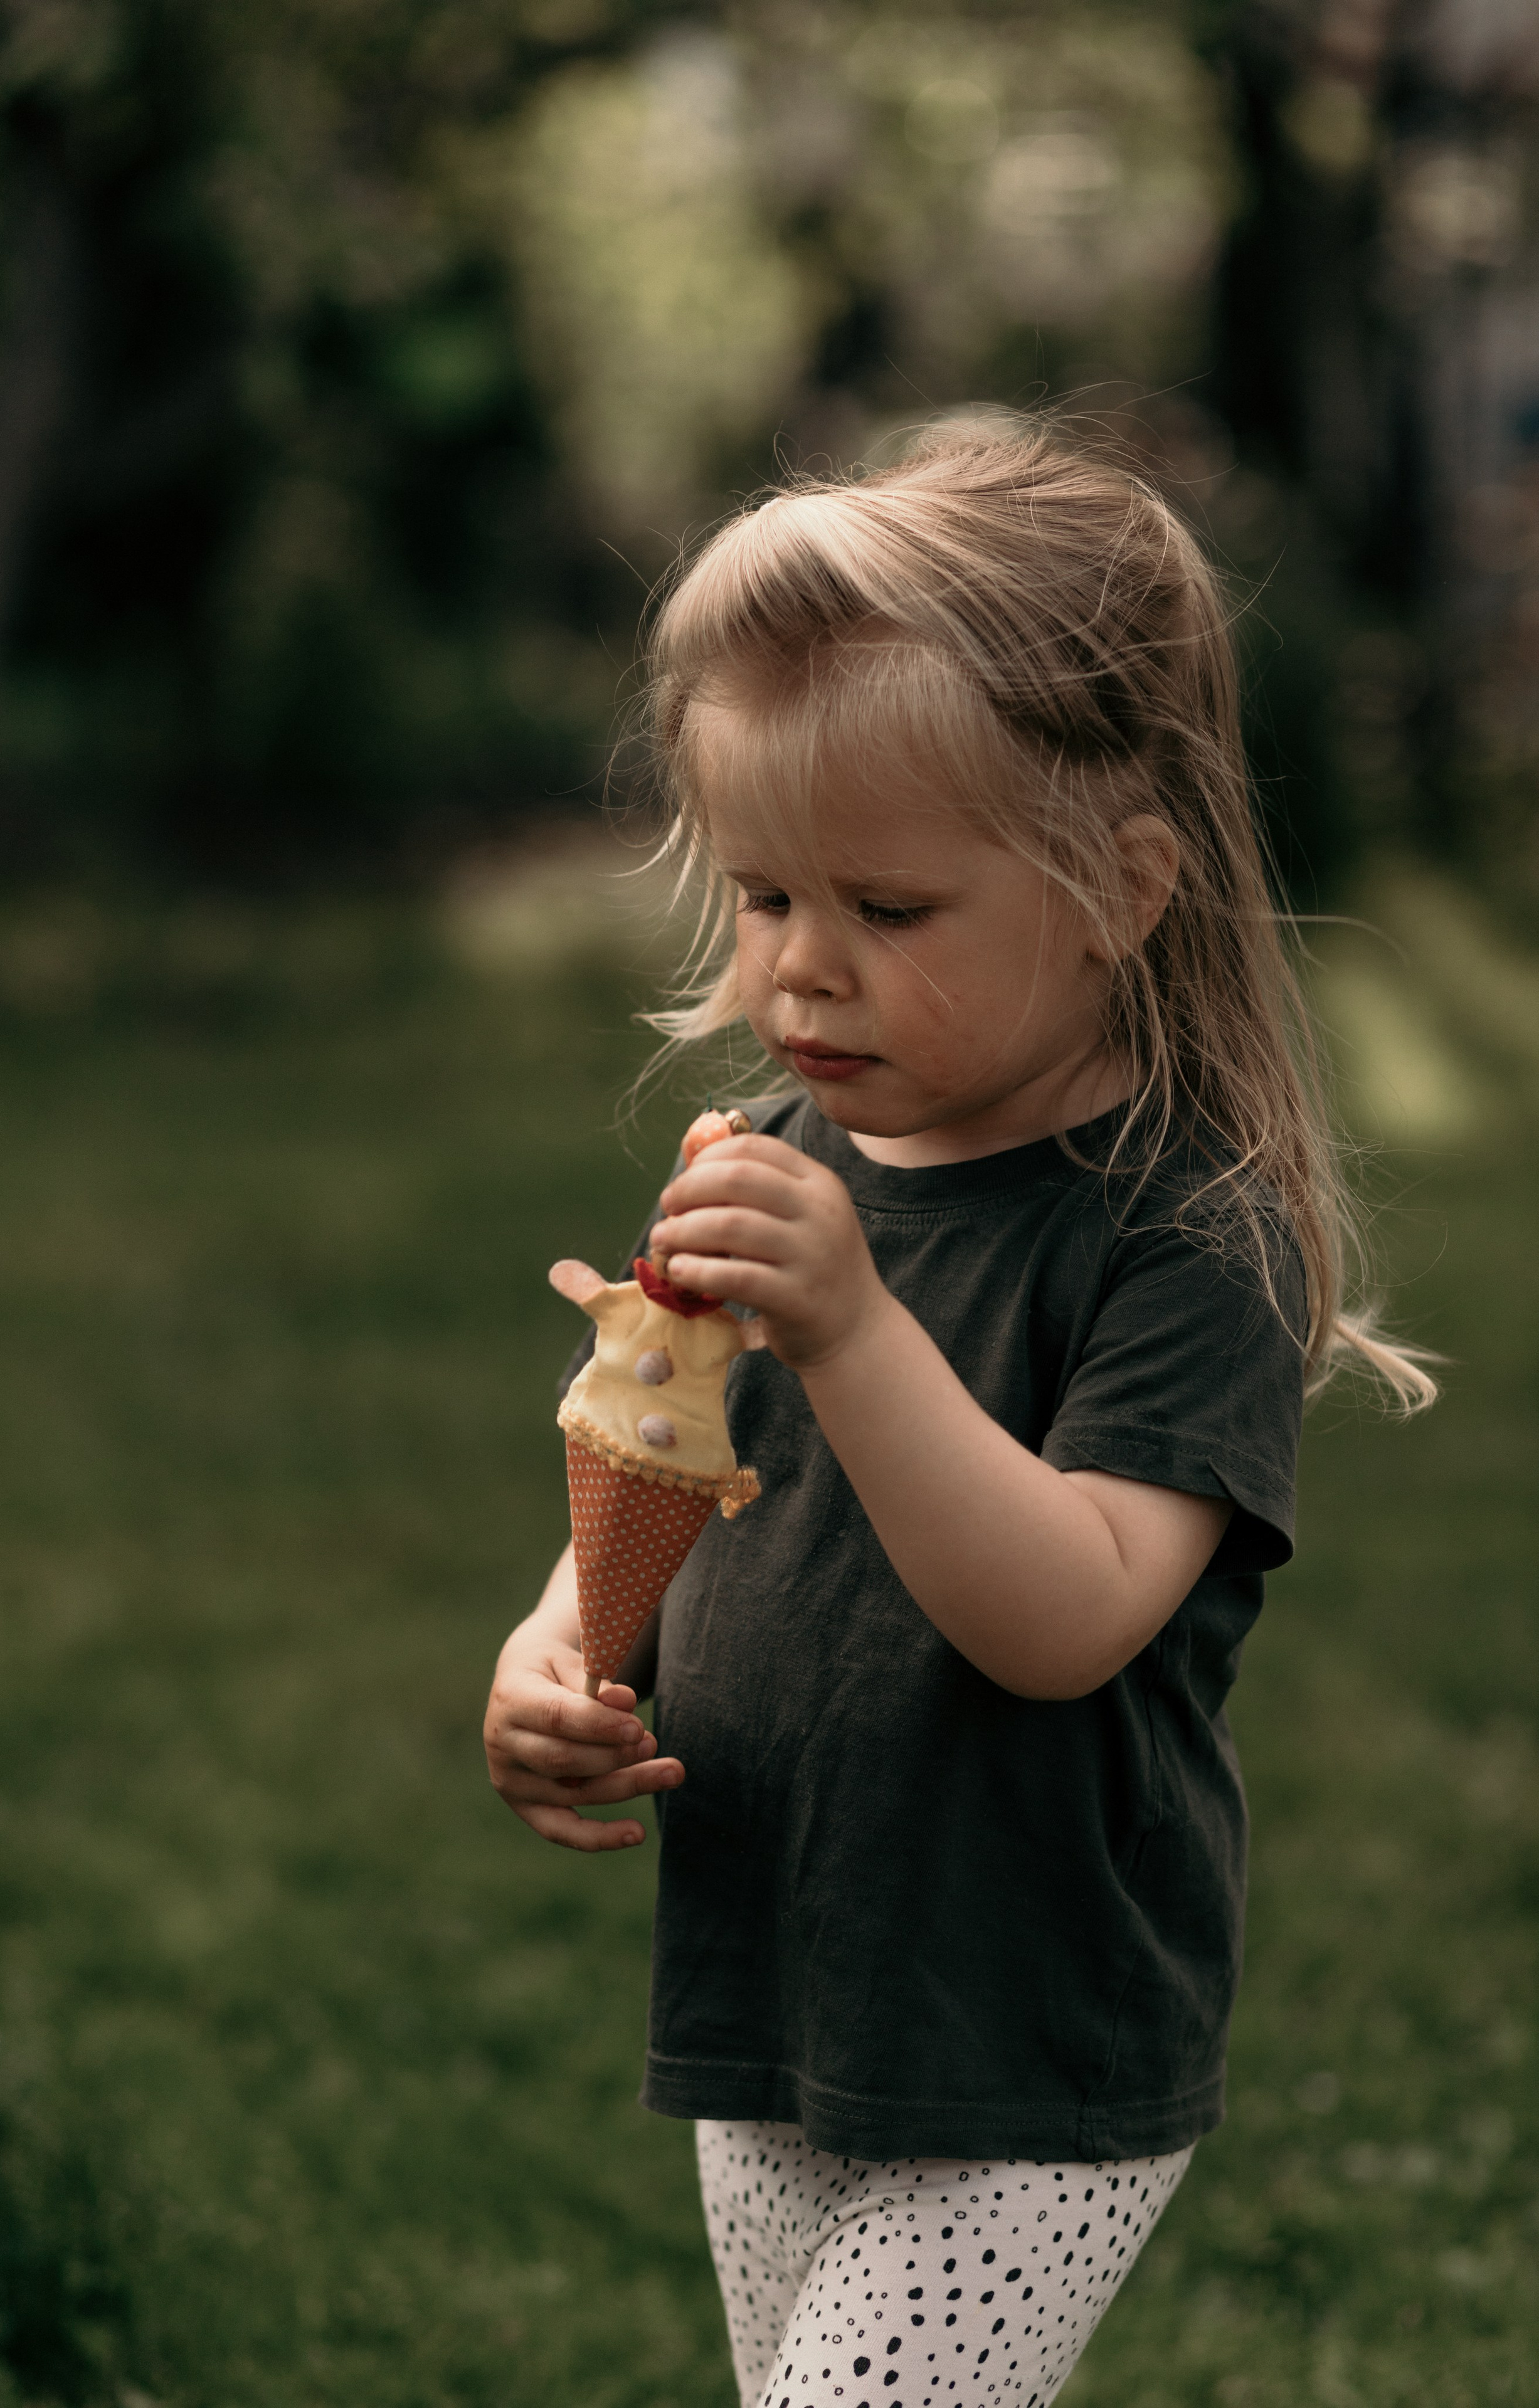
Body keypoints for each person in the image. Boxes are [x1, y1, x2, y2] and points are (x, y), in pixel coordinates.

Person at [482, 422, 1434, 2408]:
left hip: (1022, 2039)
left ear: (1122, 890)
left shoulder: (1184, 1239)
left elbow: (1071, 1609)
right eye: (761, 894)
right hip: (774, 1978)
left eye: (892, 911)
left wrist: (852, 1325)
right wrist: (560, 1651)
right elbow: (658, 1468)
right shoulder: (776, 1156)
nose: (803, 969)